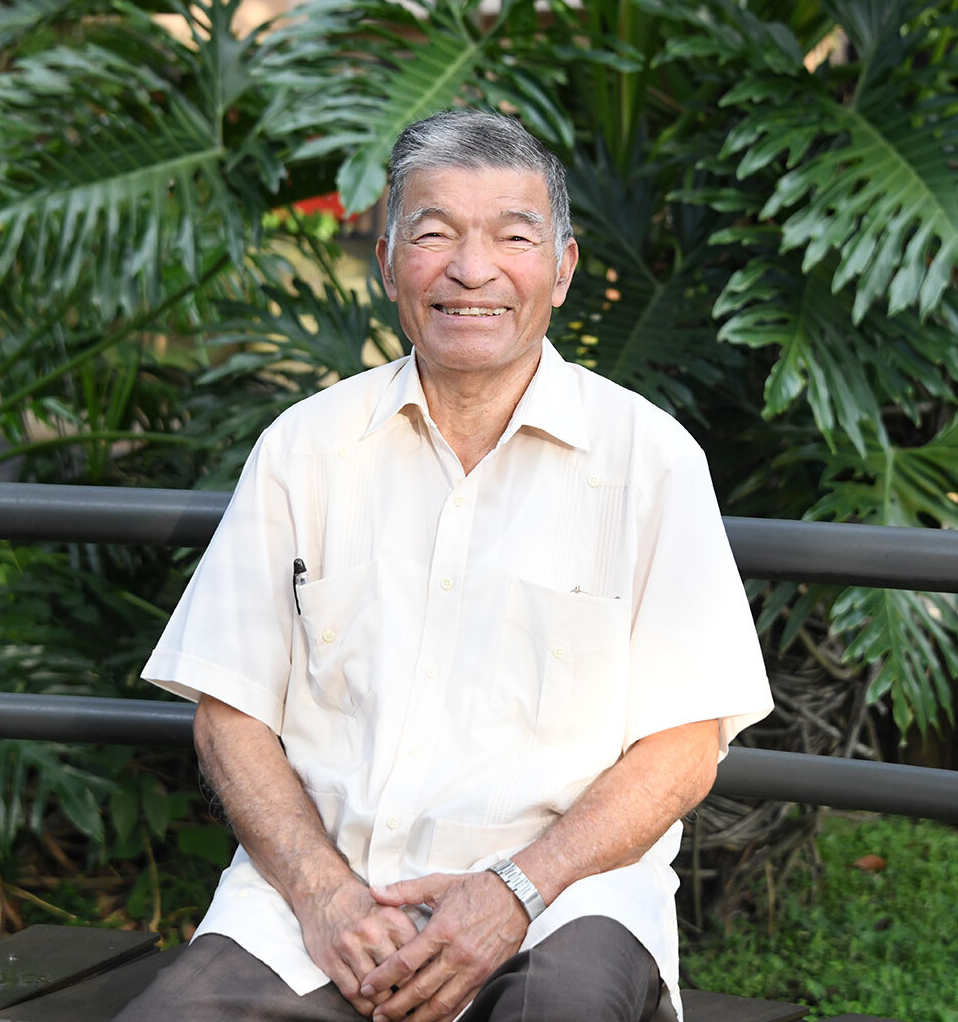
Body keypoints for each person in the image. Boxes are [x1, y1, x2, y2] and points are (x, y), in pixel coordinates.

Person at [115, 110, 773, 1022]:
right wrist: (324, 895)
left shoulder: (650, 461)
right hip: (317, 910)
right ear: (388, 263)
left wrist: (514, 891)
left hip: (562, 903)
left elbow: (683, 747)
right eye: (434, 236)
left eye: (513, 236)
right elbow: (231, 715)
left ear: (564, 269)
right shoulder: (305, 449)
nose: (473, 270)